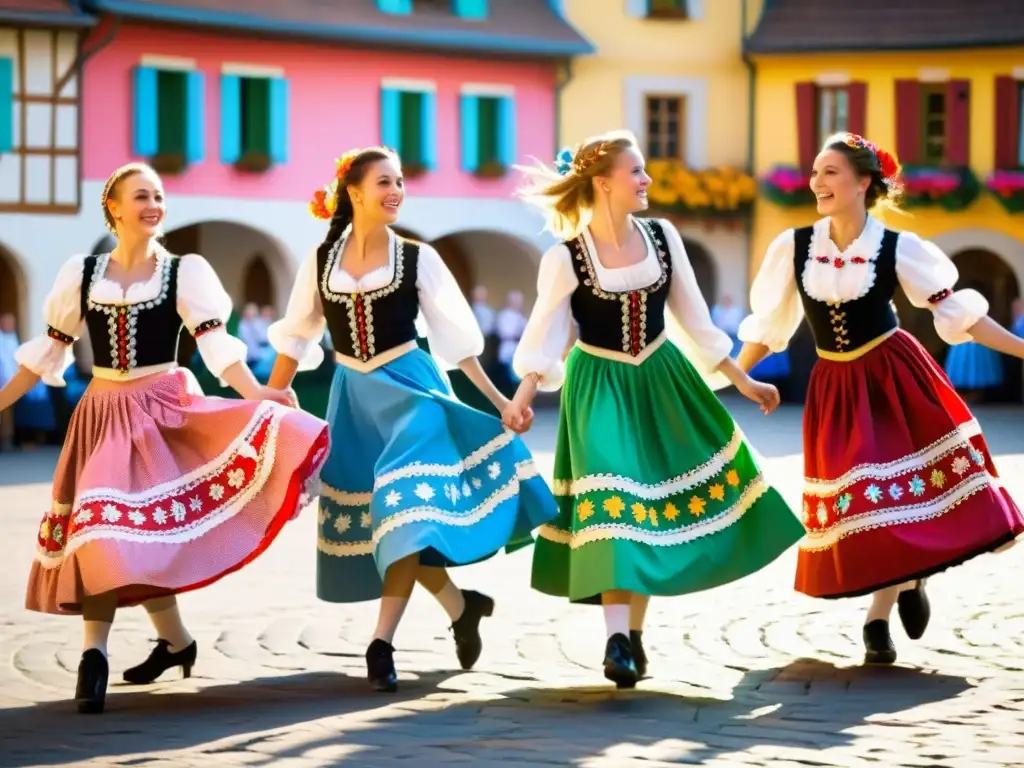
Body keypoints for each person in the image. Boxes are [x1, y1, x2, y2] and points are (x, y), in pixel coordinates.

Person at [0, 162, 330, 714]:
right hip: (102, 415)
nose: (154, 204)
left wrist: (255, 394)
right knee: (105, 535)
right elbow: (46, 355)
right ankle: (120, 651)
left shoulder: (183, 272)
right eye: (141, 196)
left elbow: (214, 344)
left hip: (162, 412)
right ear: (115, 208)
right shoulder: (82, 274)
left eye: (158, 195)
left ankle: (119, 653)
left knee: (138, 538)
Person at [504, 131, 804, 688]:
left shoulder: (663, 237)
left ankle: (632, 635)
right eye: (636, 171)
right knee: (615, 504)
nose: (646, 181)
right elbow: (544, 336)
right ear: (603, 182)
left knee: (648, 511)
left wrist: (743, 379)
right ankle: (617, 638)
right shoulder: (565, 257)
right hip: (598, 384)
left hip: (663, 378)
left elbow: (697, 319)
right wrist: (520, 403)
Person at [266, 146, 558, 692]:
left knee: (406, 510)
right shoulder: (320, 260)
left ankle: (380, 643)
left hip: (414, 393)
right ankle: (461, 606)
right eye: (384, 182)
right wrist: (270, 395)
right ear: (352, 192)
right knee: (396, 526)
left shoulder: (419, 258)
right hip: (353, 401)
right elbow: (297, 333)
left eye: (400, 181)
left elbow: (459, 343)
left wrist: (500, 403)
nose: (396, 190)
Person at [736, 133, 1024, 664]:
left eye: (830, 173)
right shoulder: (794, 246)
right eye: (816, 172)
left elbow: (961, 315)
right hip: (836, 388)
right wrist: (729, 376)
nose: (817, 182)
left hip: (893, 378)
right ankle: (911, 580)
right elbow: (768, 327)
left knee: (893, 495)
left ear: (863, 182)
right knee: (865, 502)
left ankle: (876, 620)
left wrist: (1022, 348)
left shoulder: (897, 247)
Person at [0, 311, 18, 451]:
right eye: (7, 321)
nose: (10, 324)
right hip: (3, 380)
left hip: (9, 381)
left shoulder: (12, 338)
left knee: (7, 412)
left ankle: (7, 438)